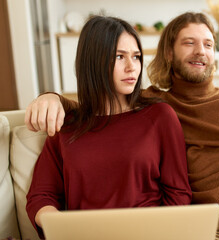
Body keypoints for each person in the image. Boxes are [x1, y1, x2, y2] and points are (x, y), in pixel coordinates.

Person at [25, 12, 219, 240]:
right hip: (207, 222)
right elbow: (103, 113)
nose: (201, 51)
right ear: (169, 52)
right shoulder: (154, 104)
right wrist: (52, 98)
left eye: (208, 44)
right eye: (190, 43)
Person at [25, 15, 191, 239]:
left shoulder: (160, 116)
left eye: (136, 56)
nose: (132, 67)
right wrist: (61, 228)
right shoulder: (66, 125)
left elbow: (178, 195)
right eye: (119, 57)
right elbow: (41, 196)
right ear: (93, 61)